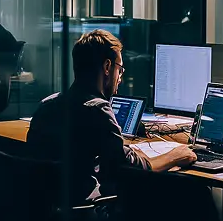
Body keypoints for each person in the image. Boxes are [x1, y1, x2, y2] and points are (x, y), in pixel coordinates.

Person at [26, 29, 196, 203]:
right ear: (107, 67)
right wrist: (175, 156)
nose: (120, 78)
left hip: (47, 211)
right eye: (120, 69)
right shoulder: (97, 110)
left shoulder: (47, 105)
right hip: (86, 214)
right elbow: (131, 168)